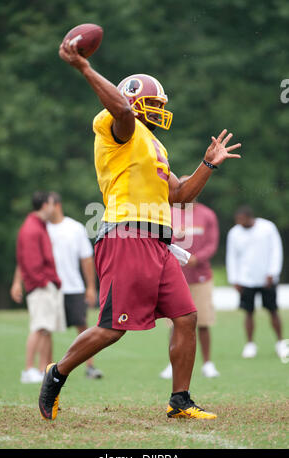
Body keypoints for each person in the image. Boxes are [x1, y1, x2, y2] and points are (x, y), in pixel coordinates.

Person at [38, 38, 241, 422]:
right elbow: (120, 109)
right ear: (130, 100)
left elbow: (179, 196)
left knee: (186, 316)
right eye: (152, 103)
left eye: (160, 105)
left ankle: (179, 400)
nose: (158, 110)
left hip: (158, 241)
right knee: (114, 328)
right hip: (126, 235)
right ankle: (57, 372)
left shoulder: (155, 144)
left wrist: (207, 165)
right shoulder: (121, 127)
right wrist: (84, 67)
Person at [12, 192, 103, 379]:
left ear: (57, 205)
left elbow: (86, 259)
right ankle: (44, 368)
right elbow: (25, 257)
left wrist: (91, 286)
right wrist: (17, 282)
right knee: (45, 328)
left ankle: (90, 366)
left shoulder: (74, 228)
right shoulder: (38, 228)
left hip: (72, 286)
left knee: (81, 325)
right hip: (47, 286)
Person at [160, 199, 220, 379]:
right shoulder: (167, 213)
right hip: (175, 276)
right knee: (174, 324)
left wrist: (196, 258)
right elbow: (163, 241)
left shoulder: (207, 214)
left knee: (203, 323)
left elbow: (212, 244)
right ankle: (173, 364)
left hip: (201, 277)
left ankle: (208, 363)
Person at [11, 191, 66, 383]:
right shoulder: (31, 229)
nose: (54, 207)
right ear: (44, 206)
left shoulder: (39, 226)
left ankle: (43, 368)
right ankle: (28, 369)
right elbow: (31, 262)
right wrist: (43, 282)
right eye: (52, 204)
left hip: (46, 284)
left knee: (45, 328)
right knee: (39, 326)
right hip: (40, 286)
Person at [226, 206, 287, 359]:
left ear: (249, 217)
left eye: (242, 220)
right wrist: (234, 279)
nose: (239, 223)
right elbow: (232, 256)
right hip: (246, 278)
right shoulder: (234, 233)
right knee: (248, 312)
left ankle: (280, 343)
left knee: (272, 310)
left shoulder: (267, 227)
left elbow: (276, 250)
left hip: (267, 278)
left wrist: (273, 272)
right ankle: (250, 344)